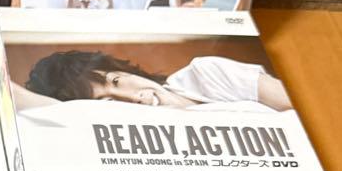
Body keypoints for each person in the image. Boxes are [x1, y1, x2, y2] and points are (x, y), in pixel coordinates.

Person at [23, 49, 292, 112]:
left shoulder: (205, 72)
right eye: (107, 102)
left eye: (116, 81)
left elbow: (300, 111)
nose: (133, 97)